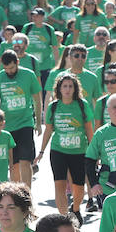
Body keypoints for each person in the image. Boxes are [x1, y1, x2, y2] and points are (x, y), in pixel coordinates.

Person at [37, 73, 93, 219]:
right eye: (64, 86)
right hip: (58, 151)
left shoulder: (82, 105)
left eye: (70, 86)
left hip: (79, 151)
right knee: (59, 185)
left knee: (79, 187)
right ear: (59, 89)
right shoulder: (53, 106)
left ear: (75, 88)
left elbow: (88, 129)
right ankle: (64, 218)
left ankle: (75, 209)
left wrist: (93, 151)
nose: (67, 89)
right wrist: (42, 151)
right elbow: (48, 129)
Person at [0, 50, 44, 188]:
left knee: (26, 161)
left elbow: (37, 100)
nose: (9, 71)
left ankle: (26, 195)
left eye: (12, 68)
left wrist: (38, 122)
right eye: (6, 68)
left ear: (17, 63)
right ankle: (16, 194)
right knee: (13, 164)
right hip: (7, 126)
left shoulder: (28, 75)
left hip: (25, 122)